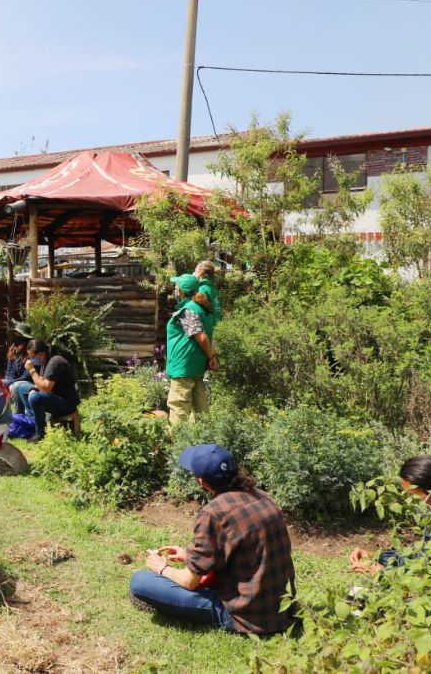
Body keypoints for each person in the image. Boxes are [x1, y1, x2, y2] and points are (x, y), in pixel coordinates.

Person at [130, 444, 296, 634]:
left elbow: (188, 582)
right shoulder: (263, 497)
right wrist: (188, 556)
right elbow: (241, 553)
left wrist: (160, 567)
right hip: (284, 609)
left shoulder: (213, 514)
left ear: (202, 482)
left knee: (140, 581)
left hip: (246, 616)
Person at [349, 455, 431, 573]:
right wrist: (376, 556)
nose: (410, 502)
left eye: (413, 496)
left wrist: (384, 575)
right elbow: (421, 556)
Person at [165, 274, 218, 425]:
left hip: (183, 366)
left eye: (176, 288)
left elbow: (201, 337)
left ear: (182, 291)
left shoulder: (188, 310)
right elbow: (209, 335)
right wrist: (212, 356)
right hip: (196, 366)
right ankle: (203, 440)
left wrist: (211, 357)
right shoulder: (203, 309)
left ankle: (177, 443)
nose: (174, 291)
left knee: (178, 406)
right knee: (201, 409)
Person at [23, 339, 79, 441]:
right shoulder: (45, 362)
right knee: (22, 390)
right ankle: (32, 424)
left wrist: (31, 370)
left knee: (35, 397)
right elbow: (40, 382)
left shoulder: (55, 362)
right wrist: (32, 389)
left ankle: (41, 433)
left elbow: (45, 388)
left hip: (67, 403)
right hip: (55, 397)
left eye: (31, 357)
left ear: (41, 354)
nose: (29, 360)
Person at [4, 336, 40, 417]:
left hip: (29, 383)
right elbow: (10, 374)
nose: (14, 347)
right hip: (17, 381)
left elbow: (26, 377)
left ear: (23, 344)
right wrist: (10, 360)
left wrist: (11, 383)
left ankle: (19, 412)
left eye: (16, 344)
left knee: (16, 385)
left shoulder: (32, 357)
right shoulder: (18, 356)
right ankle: (2, 414)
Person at [194, 261, 223, 337]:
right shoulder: (212, 288)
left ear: (201, 272)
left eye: (195, 270)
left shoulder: (202, 289)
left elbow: (197, 312)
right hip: (217, 327)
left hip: (208, 331)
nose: (194, 272)